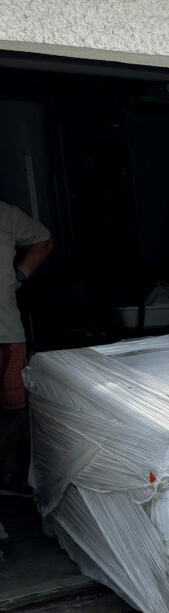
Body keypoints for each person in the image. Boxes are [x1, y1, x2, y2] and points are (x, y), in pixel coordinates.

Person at [0, 200, 52, 492]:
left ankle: (8, 474)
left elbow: (43, 239)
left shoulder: (6, 214)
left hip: (6, 331)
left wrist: (19, 276)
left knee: (12, 406)